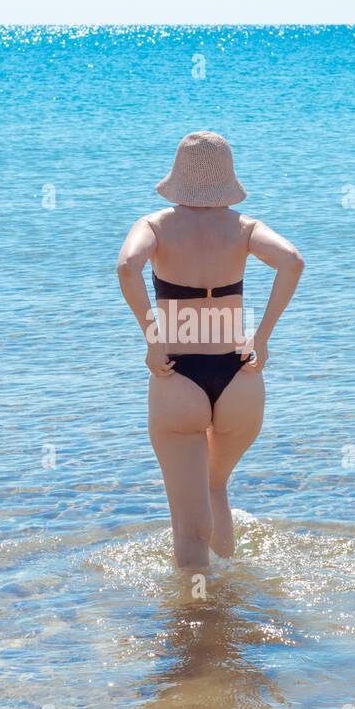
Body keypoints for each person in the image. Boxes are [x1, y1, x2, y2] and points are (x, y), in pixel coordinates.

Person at [116, 132, 304, 570]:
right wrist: (262, 338)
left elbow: (127, 266)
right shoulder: (245, 229)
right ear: (227, 178)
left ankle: (197, 621)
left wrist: (153, 338)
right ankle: (229, 600)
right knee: (215, 486)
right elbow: (292, 261)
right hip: (239, 378)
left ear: (178, 176)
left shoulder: (155, 226)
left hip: (177, 377)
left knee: (187, 525)